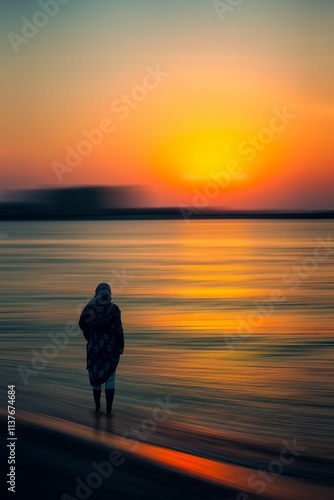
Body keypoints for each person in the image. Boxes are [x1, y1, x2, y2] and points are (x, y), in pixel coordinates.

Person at [79, 283, 124, 414]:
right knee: (110, 379)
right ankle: (109, 409)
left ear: (96, 292)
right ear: (109, 293)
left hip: (94, 348)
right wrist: (120, 345)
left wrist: (91, 338)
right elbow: (118, 330)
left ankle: (97, 406)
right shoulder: (114, 309)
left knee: (96, 377)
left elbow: (83, 325)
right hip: (110, 348)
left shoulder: (89, 308)